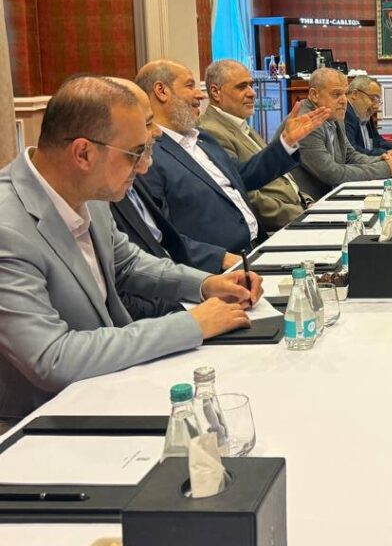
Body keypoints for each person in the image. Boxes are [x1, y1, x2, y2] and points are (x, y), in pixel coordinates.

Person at [0, 76, 259, 419]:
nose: (145, 166)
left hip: (111, 385)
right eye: (135, 153)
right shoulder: (7, 227)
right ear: (83, 153)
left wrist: (206, 284)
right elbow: (52, 358)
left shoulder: (87, 191)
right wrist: (191, 324)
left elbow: (128, 264)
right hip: (42, 421)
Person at [137, 60, 329, 253]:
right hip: (225, 261)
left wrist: (287, 141)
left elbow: (244, 175)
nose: (200, 94)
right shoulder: (150, 156)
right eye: (190, 86)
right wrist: (222, 259)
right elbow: (165, 236)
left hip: (259, 244)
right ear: (161, 91)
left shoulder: (202, 139)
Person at [107, 79, 238, 282]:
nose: (158, 132)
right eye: (148, 123)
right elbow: (127, 278)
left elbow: (156, 250)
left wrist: (205, 286)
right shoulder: (100, 196)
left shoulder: (134, 175)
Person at [199, 59, 311, 233]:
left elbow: (284, 180)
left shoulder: (242, 125)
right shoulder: (211, 131)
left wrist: (308, 204)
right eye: (241, 87)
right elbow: (246, 196)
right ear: (215, 92)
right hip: (276, 228)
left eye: (251, 85)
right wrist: (302, 215)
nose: (252, 93)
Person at [283, 68, 392, 199]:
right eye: (336, 94)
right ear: (314, 95)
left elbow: (349, 155)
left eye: (345, 94)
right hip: (303, 203)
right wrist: (385, 168)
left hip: (328, 196)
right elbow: (332, 174)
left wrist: (383, 159)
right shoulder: (306, 122)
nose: (343, 101)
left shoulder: (334, 115)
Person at [344, 75, 392, 160]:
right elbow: (353, 152)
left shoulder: (364, 113)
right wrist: (388, 153)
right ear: (355, 94)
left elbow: (378, 141)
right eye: (373, 99)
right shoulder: (345, 114)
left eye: (378, 101)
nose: (376, 106)